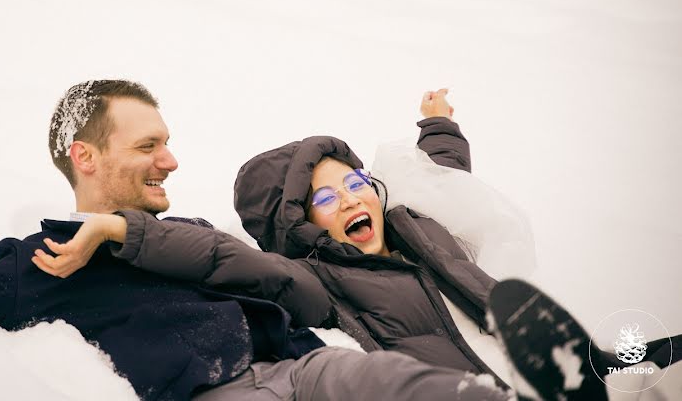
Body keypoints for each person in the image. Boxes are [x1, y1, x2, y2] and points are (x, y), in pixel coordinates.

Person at [0, 80, 514, 401]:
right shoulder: (33, 261)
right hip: (218, 395)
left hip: (305, 371)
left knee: (396, 385)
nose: (171, 161)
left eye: (169, 144)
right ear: (87, 158)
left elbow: (276, 272)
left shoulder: (189, 233)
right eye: (150, 145)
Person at [230, 89, 681, 401]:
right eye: (326, 198)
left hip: (529, 359)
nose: (351, 198)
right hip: (469, 390)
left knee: (666, 364)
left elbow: (444, 177)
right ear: (299, 227)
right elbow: (225, 265)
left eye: (355, 182)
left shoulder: (413, 226)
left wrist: (438, 123)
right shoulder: (312, 278)